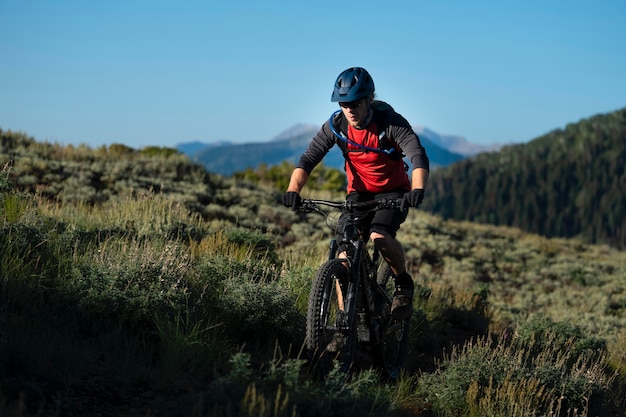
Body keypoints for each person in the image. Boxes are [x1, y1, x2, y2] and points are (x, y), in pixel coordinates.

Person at [282, 67, 429, 320]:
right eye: (344, 103)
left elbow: (417, 155)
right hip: (358, 195)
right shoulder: (336, 126)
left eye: (355, 103)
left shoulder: (389, 123)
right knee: (343, 254)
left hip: (393, 192)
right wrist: (293, 190)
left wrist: (417, 189)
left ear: (369, 100)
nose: (349, 109)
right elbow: (308, 159)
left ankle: (403, 283)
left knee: (379, 236)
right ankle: (344, 321)